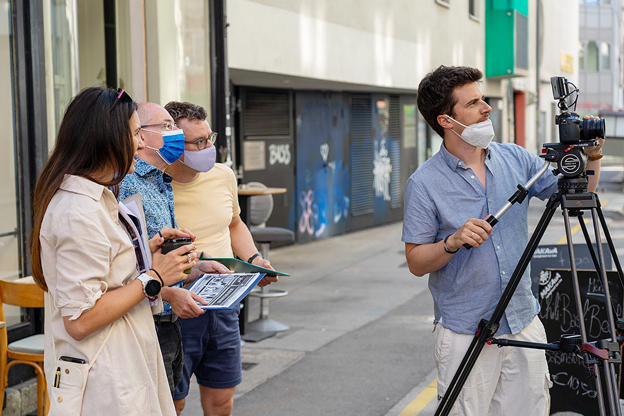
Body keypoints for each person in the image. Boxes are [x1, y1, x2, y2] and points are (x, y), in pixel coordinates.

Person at [402, 66, 604, 416]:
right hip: (465, 330)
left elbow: (578, 194)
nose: (487, 108)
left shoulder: (516, 158)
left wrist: (593, 157)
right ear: (447, 121)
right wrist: (452, 242)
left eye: (485, 99)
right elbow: (417, 262)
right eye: (474, 102)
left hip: (524, 321)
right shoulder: (423, 183)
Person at [30, 87, 199, 415]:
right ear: (106, 139)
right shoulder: (77, 210)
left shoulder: (96, 197)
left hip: (122, 368)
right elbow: (79, 319)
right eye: (136, 133)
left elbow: (107, 273)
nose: (141, 143)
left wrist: (147, 251)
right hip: (106, 380)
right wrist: (155, 276)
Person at [164, 101, 277, 416]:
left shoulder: (223, 176)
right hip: (175, 306)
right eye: (198, 142)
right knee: (173, 402)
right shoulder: (153, 186)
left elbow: (234, 223)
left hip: (224, 302)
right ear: (172, 143)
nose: (207, 148)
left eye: (209, 138)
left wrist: (254, 258)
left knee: (221, 400)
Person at [118, 102, 229, 397]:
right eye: (167, 126)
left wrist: (195, 267)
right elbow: (124, 269)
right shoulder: (126, 185)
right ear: (141, 136)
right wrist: (167, 292)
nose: (175, 134)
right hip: (147, 322)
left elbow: (155, 257)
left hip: (168, 323)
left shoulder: (161, 182)